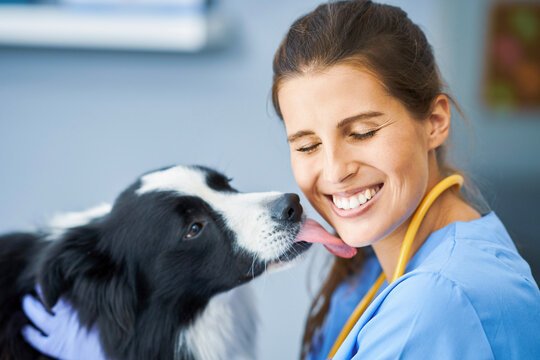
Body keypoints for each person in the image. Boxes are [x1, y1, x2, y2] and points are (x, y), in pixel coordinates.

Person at [21, 1, 540, 359]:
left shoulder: (440, 306)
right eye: (307, 145)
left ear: (434, 121)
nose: (334, 171)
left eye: (361, 132)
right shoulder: (375, 264)